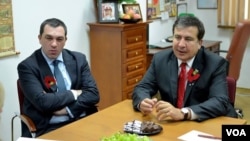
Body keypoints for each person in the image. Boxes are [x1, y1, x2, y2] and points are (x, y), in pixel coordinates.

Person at [132, 16, 238, 122]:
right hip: (173, 124)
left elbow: (220, 101)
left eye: (188, 39)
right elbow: (142, 87)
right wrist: (142, 102)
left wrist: (184, 113)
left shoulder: (215, 63)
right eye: (177, 37)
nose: (181, 44)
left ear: (200, 43)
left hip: (207, 122)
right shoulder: (160, 59)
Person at [17, 18, 100, 137]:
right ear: (40, 39)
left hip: (81, 118)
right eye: (49, 38)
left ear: (65, 40)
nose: (54, 44)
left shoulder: (78, 59)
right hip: (50, 126)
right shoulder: (28, 67)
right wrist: (74, 93)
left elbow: (93, 94)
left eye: (59, 39)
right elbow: (43, 102)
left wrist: (68, 110)